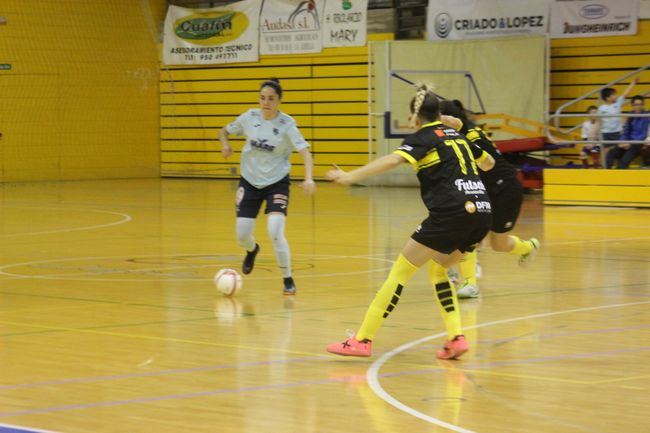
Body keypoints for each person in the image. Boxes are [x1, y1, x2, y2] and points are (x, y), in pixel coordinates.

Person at [325, 84, 495, 360]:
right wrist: (459, 131)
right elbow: (488, 164)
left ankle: (362, 339)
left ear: (415, 118)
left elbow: (393, 161)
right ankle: (456, 337)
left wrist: (350, 176)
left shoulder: (423, 137)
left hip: (452, 212)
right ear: (439, 114)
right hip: (483, 211)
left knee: (400, 272)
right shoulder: (459, 137)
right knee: (439, 271)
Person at [219, 78, 316, 295]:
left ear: (279, 101)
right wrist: (225, 144)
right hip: (249, 182)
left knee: (275, 230)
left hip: (276, 184)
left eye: (271, 99)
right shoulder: (249, 117)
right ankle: (252, 250)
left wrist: (309, 178)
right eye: (262, 98)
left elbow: (305, 152)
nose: (266, 103)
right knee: (242, 236)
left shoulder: (287, 125)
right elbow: (223, 131)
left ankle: (288, 279)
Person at [438, 100, 540, 299]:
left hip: (506, 188)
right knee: (468, 232)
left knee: (498, 245)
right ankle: (469, 282)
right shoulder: (451, 139)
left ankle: (528, 247)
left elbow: (452, 122)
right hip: (484, 190)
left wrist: (427, 115)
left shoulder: (467, 131)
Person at [598, 78, 637, 168]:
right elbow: (600, 121)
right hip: (606, 133)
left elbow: (625, 94)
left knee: (619, 149)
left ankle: (620, 167)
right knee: (606, 150)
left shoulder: (618, 103)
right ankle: (606, 168)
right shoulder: (601, 108)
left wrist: (633, 83)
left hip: (617, 132)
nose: (616, 96)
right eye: (613, 95)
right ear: (607, 98)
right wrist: (599, 133)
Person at [605, 95, 649, 169]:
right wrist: (623, 141)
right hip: (627, 143)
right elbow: (626, 130)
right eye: (636, 105)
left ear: (643, 105)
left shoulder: (647, 116)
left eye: (640, 104)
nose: (638, 106)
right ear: (632, 105)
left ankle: (621, 178)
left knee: (623, 162)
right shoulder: (630, 115)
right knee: (611, 153)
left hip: (638, 144)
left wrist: (631, 143)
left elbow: (644, 134)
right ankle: (607, 175)